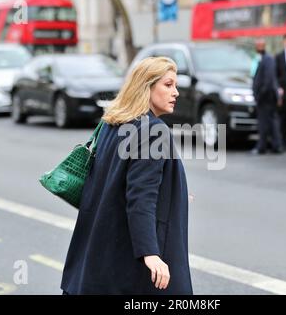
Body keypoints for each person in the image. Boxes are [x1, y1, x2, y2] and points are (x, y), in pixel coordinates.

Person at [60, 57, 193, 295]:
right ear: (147, 87)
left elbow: (120, 180)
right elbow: (140, 196)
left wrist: (175, 194)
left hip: (100, 252)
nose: (176, 92)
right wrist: (150, 254)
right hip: (132, 260)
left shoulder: (113, 123)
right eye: (168, 84)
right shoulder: (153, 130)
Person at [251, 38, 283, 155]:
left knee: (267, 121)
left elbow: (268, 79)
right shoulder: (260, 59)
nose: (258, 47)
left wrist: (260, 93)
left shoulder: (268, 59)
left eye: (260, 45)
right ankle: (273, 145)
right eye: (257, 45)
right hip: (265, 95)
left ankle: (266, 146)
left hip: (267, 96)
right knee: (267, 121)